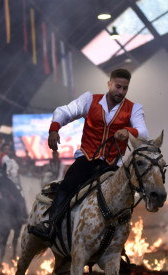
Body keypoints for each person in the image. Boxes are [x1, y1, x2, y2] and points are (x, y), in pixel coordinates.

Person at [28, 68, 149, 241]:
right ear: (109, 84)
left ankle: (118, 241)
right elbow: (65, 112)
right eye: (118, 86)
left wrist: (128, 130)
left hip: (113, 164)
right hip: (87, 158)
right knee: (68, 184)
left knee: (125, 197)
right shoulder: (89, 100)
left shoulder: (134, 109)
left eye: (125, 88)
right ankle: (50, 224)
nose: (121, 92)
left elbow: (143, 132)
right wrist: (54, 129)